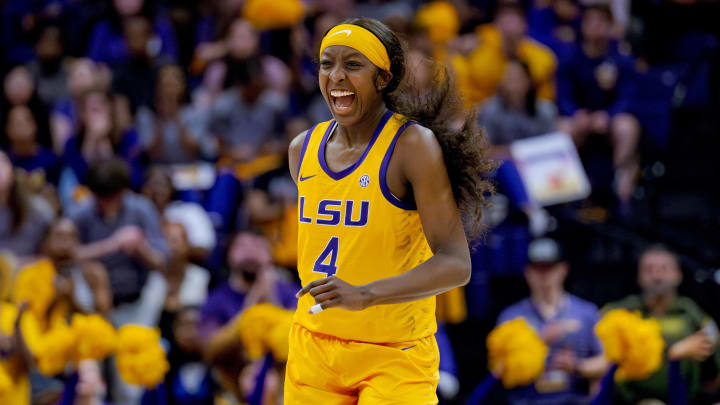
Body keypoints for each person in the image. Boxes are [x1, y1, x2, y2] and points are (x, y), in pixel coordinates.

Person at [285, 17, 493, 404]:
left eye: (353, 64)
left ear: (383, 78)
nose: (336, 76)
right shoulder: (302, 148)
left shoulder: (412, 146)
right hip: (314, 347)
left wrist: (366, 294)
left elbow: (456, 263)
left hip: (394, 351)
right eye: (327, 63)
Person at [602, 245, 720, 404]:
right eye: (649, 269)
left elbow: (714, 366)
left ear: (678, 275)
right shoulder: (619, 313)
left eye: (664, 268)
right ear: (639, 276)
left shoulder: (693, 315)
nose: (657, 276)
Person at [496, 238, 607, 404]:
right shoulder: (511, 317)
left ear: (563, 269)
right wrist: (538, 341)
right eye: (538, 268)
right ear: (528, 272)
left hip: (573, 399)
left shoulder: (586, 312)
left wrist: (576, 365)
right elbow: (499, 370)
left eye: (550, 267)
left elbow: (605, 361)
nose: (544, 275)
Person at [556, 4, 640, 203]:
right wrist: (576, 113)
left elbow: (627, 97)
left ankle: (618, 185)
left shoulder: (621, 59)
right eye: (590, 21)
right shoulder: (570, 57)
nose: (595, 26)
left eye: (601, 22)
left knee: (627, 127)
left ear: (611, 26)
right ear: (582, 25)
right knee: (562, 129)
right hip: (579, 118)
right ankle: (566, 192)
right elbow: (563, 96)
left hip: (610, 118)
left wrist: (609, 115)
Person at [69, 158, 167, 322]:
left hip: (138, 296)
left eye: (112, 196)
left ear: (123, 191)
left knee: (159, 283)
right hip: (94, 296)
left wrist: (141, 249)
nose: (107, 203)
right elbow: (66, 256)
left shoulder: (142, 209)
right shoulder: (81, 213)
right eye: (102, 197)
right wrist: (111, 245)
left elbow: (162, 261)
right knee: (83, 275)